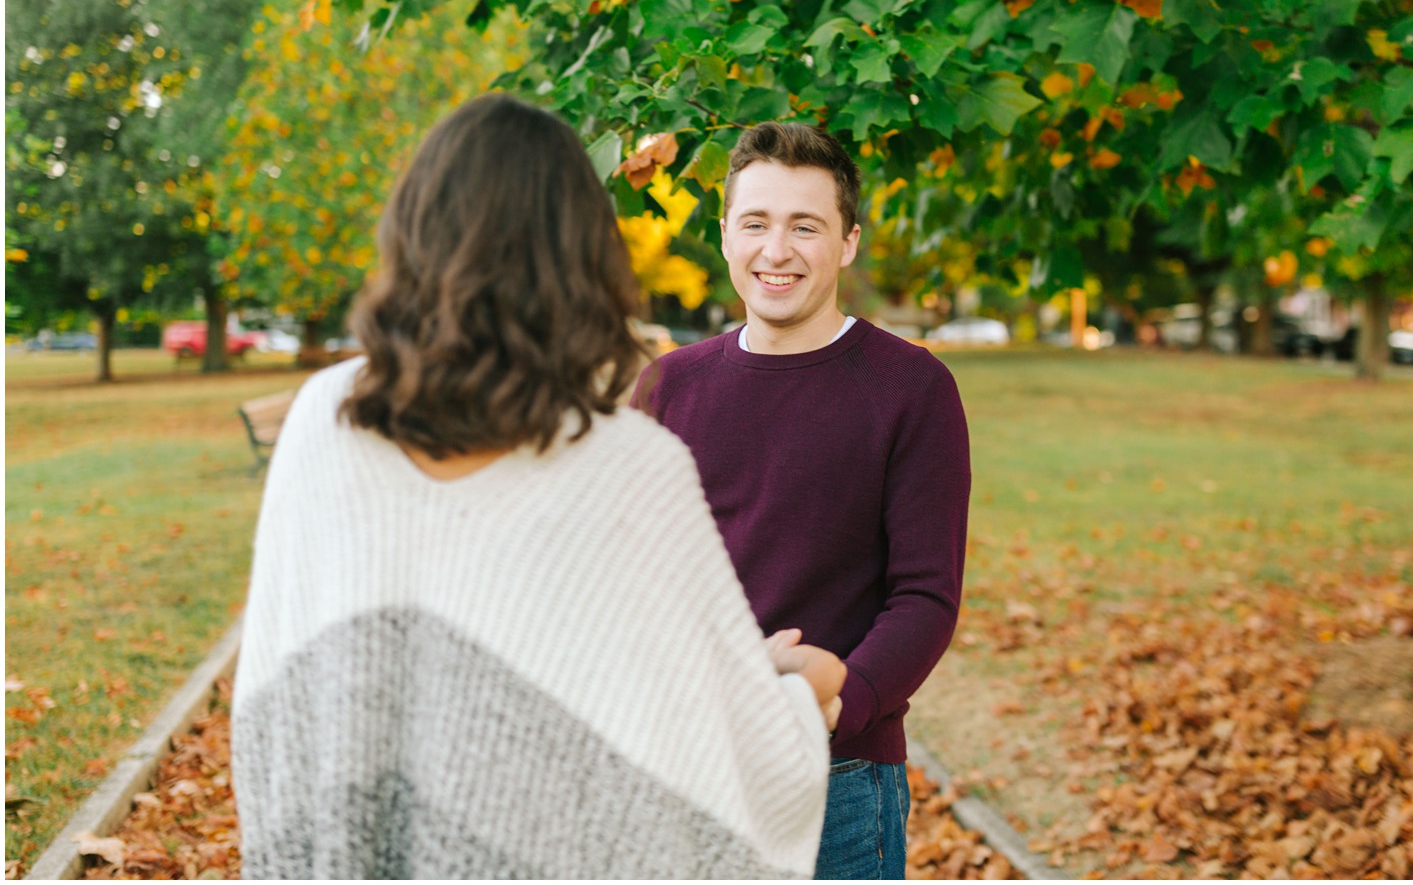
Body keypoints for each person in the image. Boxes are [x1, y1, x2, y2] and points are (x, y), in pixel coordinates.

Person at [232, 94, 844, 881]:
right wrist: (807, 693)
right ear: (585, 255)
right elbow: (729, 758)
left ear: (413, 233)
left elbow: (278, 718)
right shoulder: (631, 463)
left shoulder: (327, 418)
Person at [634, 122, 971, 881]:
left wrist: (829, 706)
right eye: (755, 222)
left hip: (835, 777)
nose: (775, 250)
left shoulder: (913, 389)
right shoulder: (667, 387)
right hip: (683, 765)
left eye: (805, 226)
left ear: (848, 241)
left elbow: (924, 598)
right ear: (724, 233)